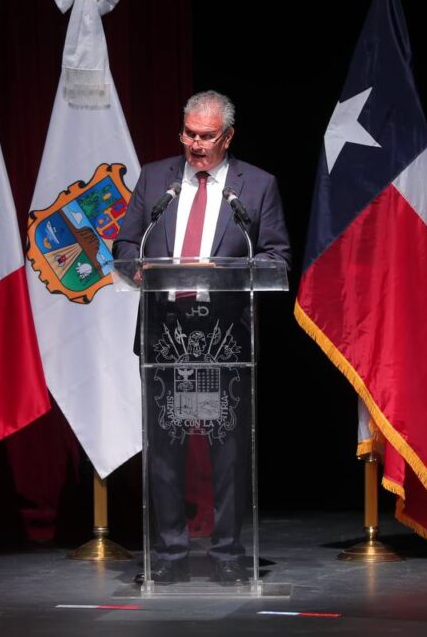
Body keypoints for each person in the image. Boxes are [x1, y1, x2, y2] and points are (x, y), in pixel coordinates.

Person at [113, 90, 291, 584]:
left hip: (222, 338)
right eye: (189, 133)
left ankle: (228, 554)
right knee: (165, 445)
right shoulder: (156, 180)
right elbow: (126, 244)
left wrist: (230, 269)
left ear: (227, 137)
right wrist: (141, 266)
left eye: (206, 136)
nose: (195, 144)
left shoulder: (256, 187)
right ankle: (169, 557)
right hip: (164, 334)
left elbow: (277, 258)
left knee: (226, 449)